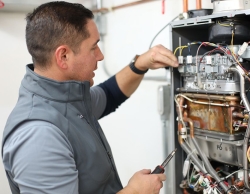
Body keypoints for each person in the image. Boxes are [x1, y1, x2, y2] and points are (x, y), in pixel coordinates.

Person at [1, 1, 178, 194]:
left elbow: (110, 94)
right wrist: (135, 191)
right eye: (94, 47)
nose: (100, 56)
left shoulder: (65, 100)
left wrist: (141, 64)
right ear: (64, 57)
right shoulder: (38, 136)